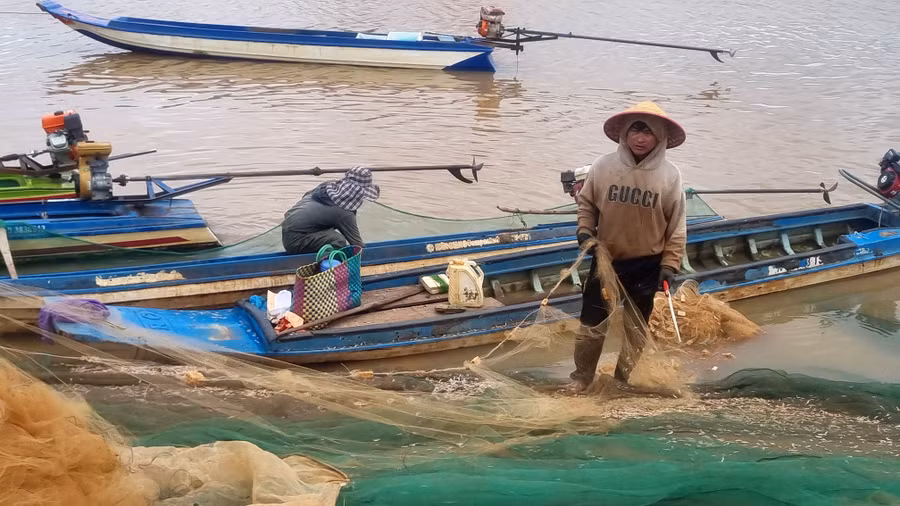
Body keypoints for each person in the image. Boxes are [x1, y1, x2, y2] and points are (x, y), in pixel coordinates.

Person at [567, 101, 688, 393]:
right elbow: (587, 205)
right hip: (606, 260)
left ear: (659, 137)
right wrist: (584, 231)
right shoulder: (603, 166)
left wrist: (669, 265)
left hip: (647, 265)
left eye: (648, 132)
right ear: (625, 133)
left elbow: (677, 227)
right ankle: (581, 378)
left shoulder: (670, 176)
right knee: (591, 326)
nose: (640, 138)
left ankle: (621, 379)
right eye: (636, 129)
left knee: (635, 330)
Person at [281, 166, 380, 254]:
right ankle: (324, 264)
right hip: (295, 242)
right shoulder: (345, 213)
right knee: (338, 240)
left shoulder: (326, 187)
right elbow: (357, 244)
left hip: (287, 231)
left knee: (328, 230)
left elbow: (306, 196)